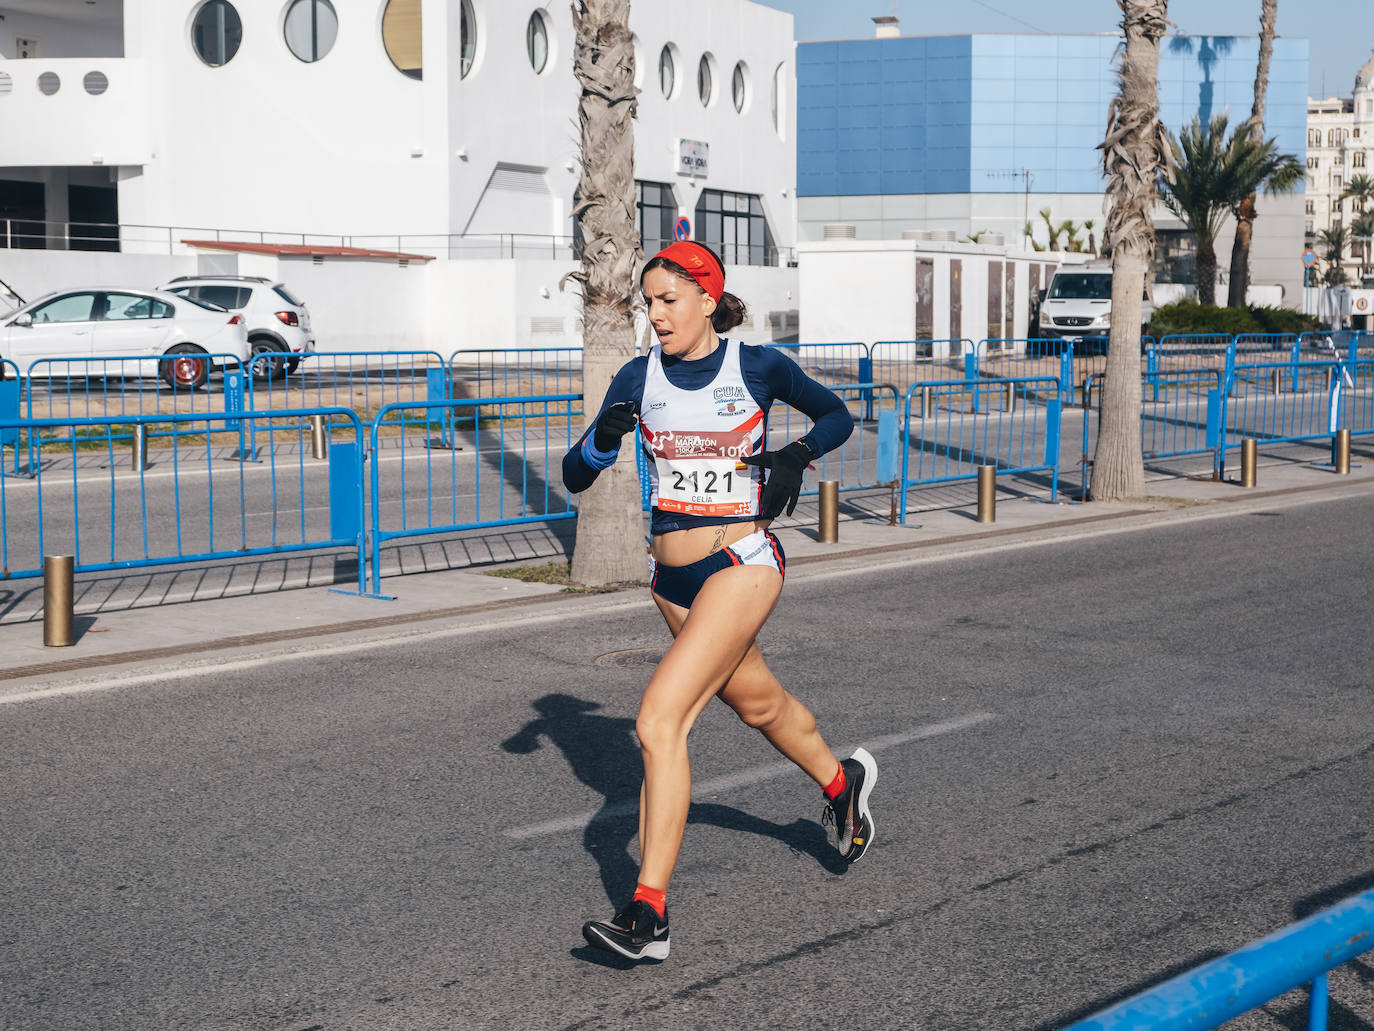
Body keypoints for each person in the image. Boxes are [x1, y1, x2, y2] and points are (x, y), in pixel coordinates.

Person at [561, 240, 878, 963]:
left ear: (709, 297)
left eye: (668, 299)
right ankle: (842, 780)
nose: (656, 314)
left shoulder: (757, 366)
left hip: (744, 560)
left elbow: (836, 415)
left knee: (657, 722)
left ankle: (648, 915)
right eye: (649, 302)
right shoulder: (637, 376)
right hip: (671, 581)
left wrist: (795, 455)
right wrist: (604, 441)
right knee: (757, 703)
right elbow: (576, 474)